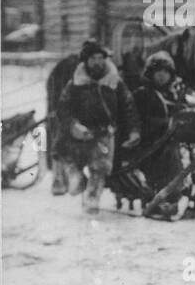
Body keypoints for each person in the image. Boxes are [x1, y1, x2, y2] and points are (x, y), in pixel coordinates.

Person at [54, 40, 141, 215]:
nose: (97, 62)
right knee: (73, 178)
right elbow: (63, 107)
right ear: (86, 61)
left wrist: (133, 131)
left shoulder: (115, 82)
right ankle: (79, 184)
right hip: (78, 133)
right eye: (93, 58)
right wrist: (73, 125)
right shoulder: (75, 83)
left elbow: (128, 106)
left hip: (104, 132)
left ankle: (93, 198)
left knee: (99, 168)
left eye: (100, 58)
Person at [130, 50, 187, 218]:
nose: (162, 76)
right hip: (149, 143)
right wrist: (165, 125)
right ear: (151, 74)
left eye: (165, 72)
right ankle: (168, 197)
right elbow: (136, 119)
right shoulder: (142, 94)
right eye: (158, 72)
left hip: (173, 139)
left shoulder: (175, 94)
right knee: (170, 154)